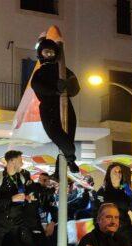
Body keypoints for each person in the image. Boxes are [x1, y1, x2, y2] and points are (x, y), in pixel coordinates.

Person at [31, 37, 80, 174]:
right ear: (41, 53)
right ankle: (70, 157)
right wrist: (55, 90)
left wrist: (67, 87)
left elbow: (76, 87)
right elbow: (37, 86)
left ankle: (63, 167)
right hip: (48, 108)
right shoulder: (39, 72)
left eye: (52, 52)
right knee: (62, 140)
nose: (49, 55)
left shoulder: (64, 70)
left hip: (65, 105)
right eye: (46, 52)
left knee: (69, 137)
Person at [93, 163, 132, 246]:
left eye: (120, 172)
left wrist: (131, 194)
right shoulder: (103, 192)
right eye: (115, 172)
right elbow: (96, 213)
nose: (118, 174)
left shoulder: (125, 191)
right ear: (109, 175)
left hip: (125, 233)